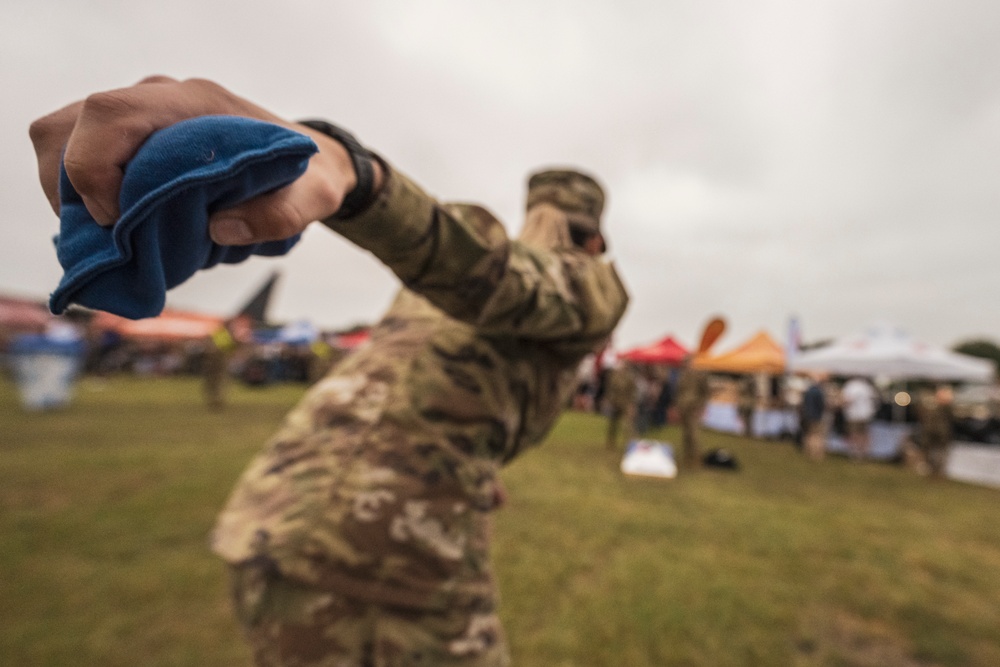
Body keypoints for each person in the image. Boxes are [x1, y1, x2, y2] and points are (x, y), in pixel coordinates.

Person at [29, 76, 630, 667]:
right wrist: (350, 171)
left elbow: (434, 361)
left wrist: (470, 458)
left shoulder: (430, 294)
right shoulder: (587, 287)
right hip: (378, 551)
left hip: (281, 510)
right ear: (596, 240)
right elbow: (489, 272)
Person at [674, 358, 712, 469]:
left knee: (693, 434)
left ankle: (696, 459)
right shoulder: (682, 375)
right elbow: (679, 392)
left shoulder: (699, 375)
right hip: (683, 408)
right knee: (686, 433)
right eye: (684, 362)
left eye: (687, 362)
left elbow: (705, 393)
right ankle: (687, 456)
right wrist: (677, 406)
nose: (685, 364)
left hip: (694, 408)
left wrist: (701, 407)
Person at [915, 385, 954, 478]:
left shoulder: (946, 407)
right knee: (928, 450)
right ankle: (931, 468)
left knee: (940, 451)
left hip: (941, 432)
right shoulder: (930, 404)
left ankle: (938, 470)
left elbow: (951, 417)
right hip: (930, 431)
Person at [840, 376, 878, 460]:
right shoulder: (867, 386)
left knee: (854, 434)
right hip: (866, 415)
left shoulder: (850, 386)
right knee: (864, 434)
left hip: (854, 415)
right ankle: (864, 452)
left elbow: (847, 400)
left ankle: (856, 453)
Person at [602, 360, 638, 450]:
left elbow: (633, 392)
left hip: (625, 403)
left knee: (627, 424)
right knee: (613, 424)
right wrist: (608, 400)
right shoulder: (614, 376)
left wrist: (632, 404)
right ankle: (611, 443)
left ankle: (630, 443)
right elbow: (610, 389)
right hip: (614, 402)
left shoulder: (630, 378)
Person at [799, 373, 827, 462]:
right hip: (816, 416)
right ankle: (817, 454)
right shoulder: (818, 392)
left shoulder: (807, 391)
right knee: (817, 435)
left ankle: (808, 451)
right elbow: (821, 405)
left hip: (807, 415)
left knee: (808, 434)